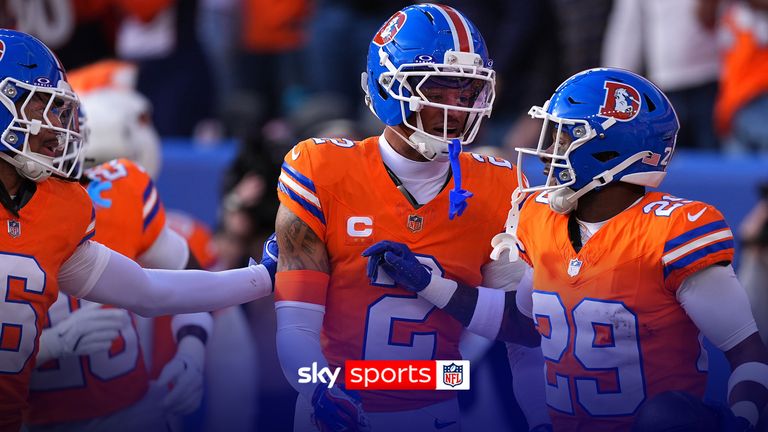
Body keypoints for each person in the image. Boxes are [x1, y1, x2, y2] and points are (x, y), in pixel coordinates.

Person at [365, 68, 768, 431]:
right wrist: (429, 284)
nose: (547, 151)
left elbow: (747, 350)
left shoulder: (672, 231)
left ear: (610, 150)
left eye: (564, 136)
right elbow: (523, 323)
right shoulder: (538, 216)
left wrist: (744, 419)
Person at [273, 4, 546, 432]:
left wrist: (540, 419)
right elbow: (295, 326)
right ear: (388, 86)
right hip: (330, 411)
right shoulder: (321, 169)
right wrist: (322, 390)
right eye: (437, 91)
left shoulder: (500, 185)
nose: (456, 110)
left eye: (466, 94)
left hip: (436, 414)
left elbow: (523, 333)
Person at [0, 29, 276, 431]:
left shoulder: (61, 207)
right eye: (38, 105)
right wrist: (48, 347)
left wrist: (263, 277)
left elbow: (151, 290)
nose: (56, 126)